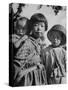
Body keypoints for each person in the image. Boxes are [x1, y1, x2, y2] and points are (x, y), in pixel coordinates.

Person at [13, 13, 48, 86]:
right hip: (28, 80)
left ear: (45, 28)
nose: (39, 29)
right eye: (36, 25)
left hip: (38, 79)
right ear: (30, 27)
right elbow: (17, 66)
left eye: (42, 26)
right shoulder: (27, 42)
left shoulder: (39, 43)